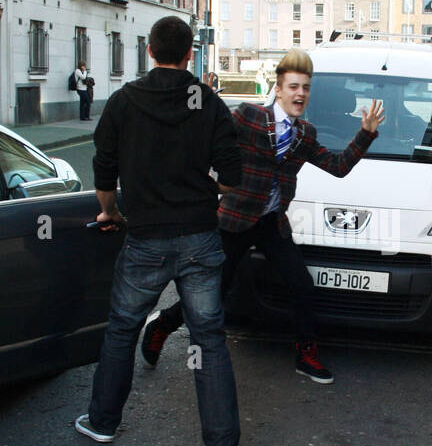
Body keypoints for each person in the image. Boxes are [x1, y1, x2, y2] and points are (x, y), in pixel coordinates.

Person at [141, 48, 385, 385]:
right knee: (213, 293)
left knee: (302, 284)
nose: (300, 94)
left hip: (272, 223)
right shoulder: (248, 116)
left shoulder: (306, 134)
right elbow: (208, 139)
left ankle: (306, 354)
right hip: (235, 221)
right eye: (294, 87)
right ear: (280, 89)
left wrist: (366, 134)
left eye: (306, 88)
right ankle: (163, 325)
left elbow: (338, 166)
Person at [77, 15, 245, 446]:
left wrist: (110, 211)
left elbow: (104, 169)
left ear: (149, 51)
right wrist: (204, 184)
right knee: (209, 338)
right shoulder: (208, 102)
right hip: (199, 237)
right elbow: (233, 177)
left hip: (146, 238)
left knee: (122, 329)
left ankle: (103, 423)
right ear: (190, 52)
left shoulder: (124, 101)